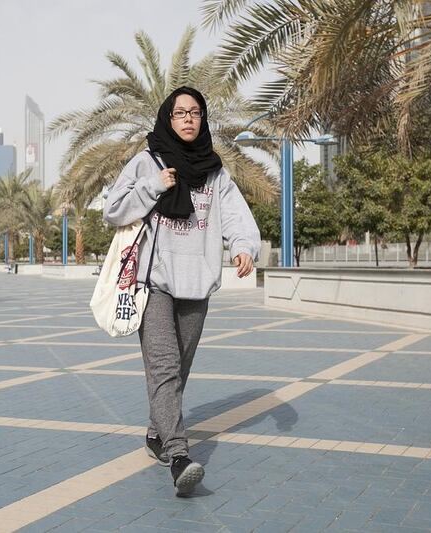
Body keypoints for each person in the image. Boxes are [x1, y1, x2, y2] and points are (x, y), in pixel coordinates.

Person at [103, 87, 260, 496]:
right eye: (180, 113)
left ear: (203, 120)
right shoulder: (146, 162)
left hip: (197, 282)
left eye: (196, 113)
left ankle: (157, 434)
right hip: (154, 282)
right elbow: (113, 209)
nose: (189, 119)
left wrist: (242, 247)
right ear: (167, 120)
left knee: (180, 368)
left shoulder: (215, 173)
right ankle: (178, 455)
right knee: (164, 367)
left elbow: (236, 216)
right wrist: (152, 186)